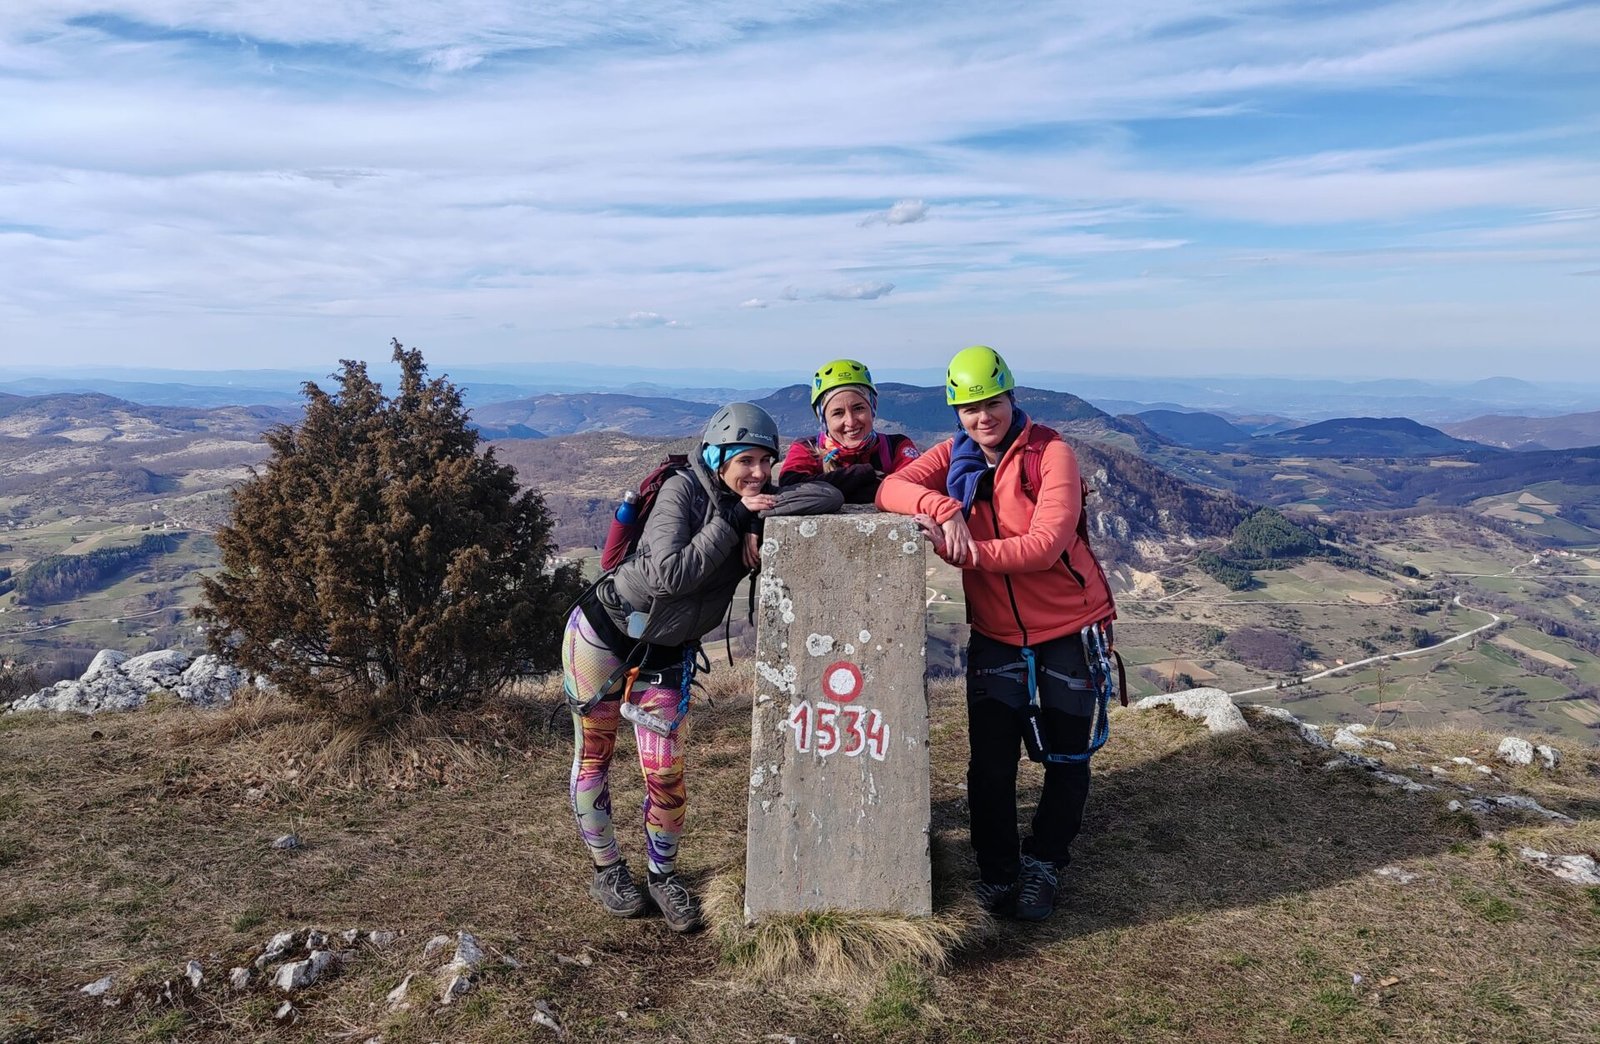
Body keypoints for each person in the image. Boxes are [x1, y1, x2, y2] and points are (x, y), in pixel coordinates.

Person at [563, 402, 840, 931]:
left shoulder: (753, 501)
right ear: (716, 455)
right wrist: (734, 522)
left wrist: (760, 514)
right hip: (603, 631)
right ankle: (608, 869)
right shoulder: (683, 490)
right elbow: (669, 574)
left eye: (765, 461)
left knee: (664, 771)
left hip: (667, 651)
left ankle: (663, 876)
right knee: (595, 753)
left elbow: (825, 494)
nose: (757, 472)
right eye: (745, 460)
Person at [875, 346, 1116, 921]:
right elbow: (890, 490)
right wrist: (943, 508)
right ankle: (998, 872)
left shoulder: (1050, 452)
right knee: (990, 763)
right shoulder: (953, 457)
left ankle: (1045, 864)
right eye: (969, 408)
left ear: (1012, 398)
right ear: (956, 412)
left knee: (1066, 753)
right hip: (996, 632)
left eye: (993, 403)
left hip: (1069, 624)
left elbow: (1047, 543)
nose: (983, 417)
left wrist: (966, 552)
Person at [779, 358, 919, 503]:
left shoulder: (897, 446)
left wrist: (836, 489)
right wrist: (865, 472)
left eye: (858, 408)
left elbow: (914, 486)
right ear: (823, 418)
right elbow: (791, 489)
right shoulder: (806, 448)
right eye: (838, 413)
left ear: (872, 408)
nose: (851, 422)